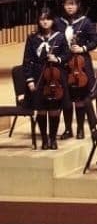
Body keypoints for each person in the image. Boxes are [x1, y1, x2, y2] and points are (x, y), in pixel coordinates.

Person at [23, 8, 67, 149]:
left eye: (47, 19)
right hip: (38, 76)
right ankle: (44, 139)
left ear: (52, 21)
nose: (45, 22)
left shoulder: (59, 37)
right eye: (42, 19)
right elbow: (27, 60)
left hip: (55, 77)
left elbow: (67, 55)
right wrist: (30, 80)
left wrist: (57, 58)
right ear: (38, 21)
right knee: (41, 109)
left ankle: (53, 139)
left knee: (54, 109)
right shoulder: (32, 38)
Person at [56, 0, 96, 141]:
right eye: (67, 4)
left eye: (72, 4)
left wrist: (82, 48)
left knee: (79, 97)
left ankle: (80, 129)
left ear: (77, 5)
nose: (70, 7)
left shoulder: (85, 22)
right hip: (64, 64)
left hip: (81, 64)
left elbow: (94, 42)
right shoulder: (58, 22)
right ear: (64, 6)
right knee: (66, 97)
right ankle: (68, 129)